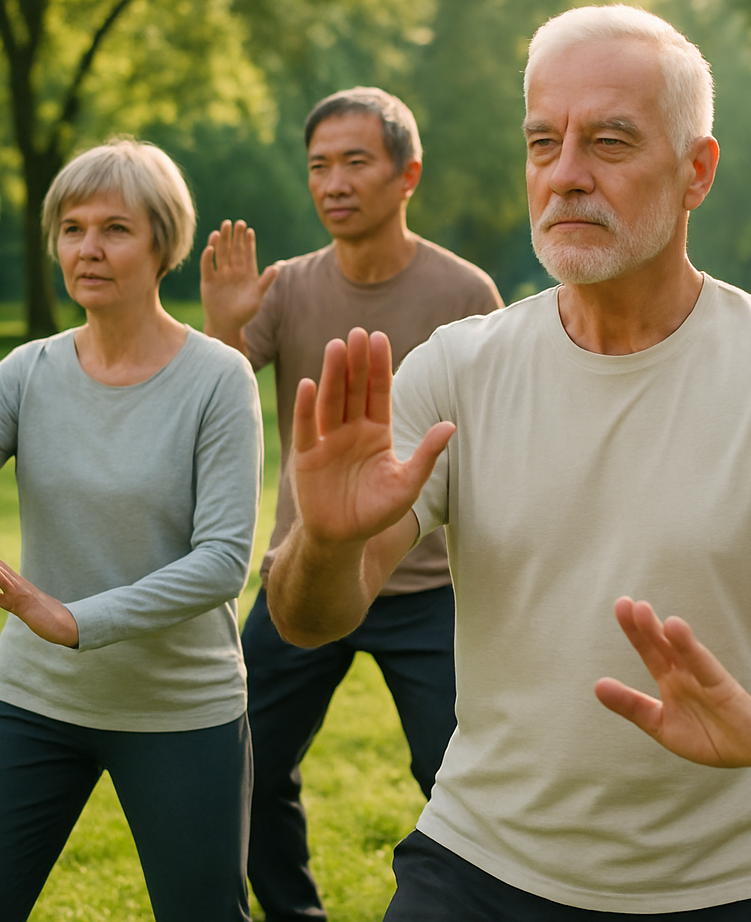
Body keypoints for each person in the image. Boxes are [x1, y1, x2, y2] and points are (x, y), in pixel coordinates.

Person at [267, 4, 751, 920]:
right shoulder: (457, 367)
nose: (565, 176)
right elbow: (312, 617)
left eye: (608, 141)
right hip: (480, 868)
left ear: (697, 172)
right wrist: (322, 541)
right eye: (542, 142)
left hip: (742, 885)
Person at [0, 139, 263, 922]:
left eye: (116, 228)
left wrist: (78, 620)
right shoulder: (29, 370)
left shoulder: (218, 378)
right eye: (71, 227)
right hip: (32, 699)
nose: (87, 248)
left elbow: (224, 560)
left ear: (165, 245)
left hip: (179, 709)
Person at [199, 86, 502, 921]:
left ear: (407, 175)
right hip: (306, 577)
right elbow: (213, 405)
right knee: (241, 766)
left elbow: (506, 436)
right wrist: (224, 332)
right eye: (318, 167)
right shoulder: (285, 289)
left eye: (355, 162)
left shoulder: (466, 292)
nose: (334, 182)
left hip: (428, 590)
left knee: (463, 783)